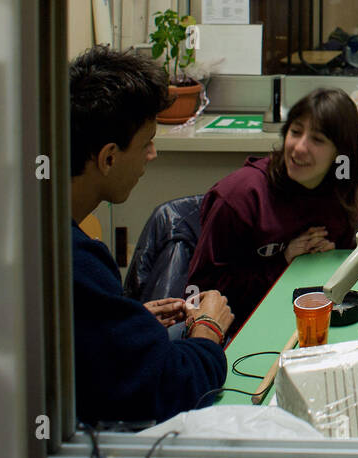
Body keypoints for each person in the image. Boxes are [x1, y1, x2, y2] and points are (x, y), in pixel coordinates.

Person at [69, 46, 234, 425]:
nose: (153, 155)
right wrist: (209, 330)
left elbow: (85, 341)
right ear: (108, 158)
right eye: (146, 144)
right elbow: (168, 387)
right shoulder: (77, 265)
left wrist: (125, 323)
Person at [186, 88, 358, 334]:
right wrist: (282, 261)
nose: (299, 148)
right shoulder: (239, 197)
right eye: (295, 132)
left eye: (318, 139)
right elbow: (200, 293)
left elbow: (348, 258)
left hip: (309, 320)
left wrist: (330, 254)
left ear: (340, 153)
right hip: (240, 330)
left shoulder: (339, 188)